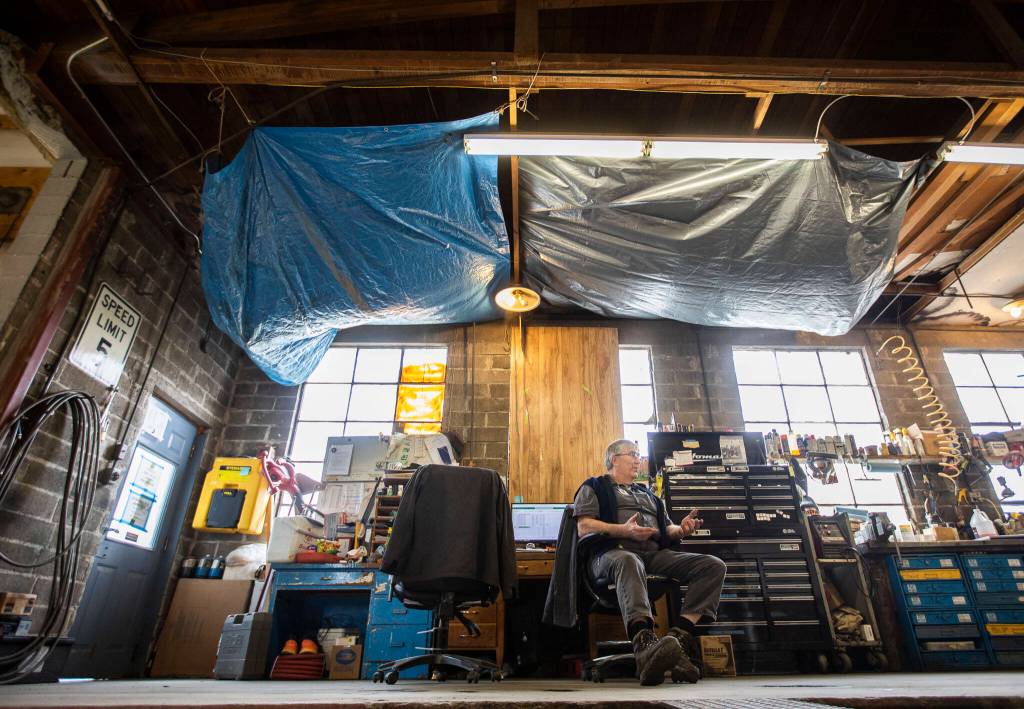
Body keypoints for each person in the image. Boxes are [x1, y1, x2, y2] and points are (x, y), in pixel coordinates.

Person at [573, 438, 727, 686]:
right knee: (629, 559)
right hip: (610, 554)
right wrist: (623, 531)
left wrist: (682, 529)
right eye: (632, 454)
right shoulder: (593, 486)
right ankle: (645, 646)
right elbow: (584, 525)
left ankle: (677, 640)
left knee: (712, 566)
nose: (638, 459)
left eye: (638, 454)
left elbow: (667, 528)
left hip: (653, 555)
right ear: (614, 459)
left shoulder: (648, 494)